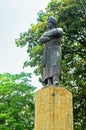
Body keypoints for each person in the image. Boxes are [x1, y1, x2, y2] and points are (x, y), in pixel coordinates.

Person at [39, 16, 63, 85]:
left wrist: (47, 37)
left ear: (53, 23)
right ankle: (49, 82)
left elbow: (59, 32)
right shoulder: (45, 33)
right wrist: (51, 37)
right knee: (47, 66)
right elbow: (40, 40)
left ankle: (55, 80)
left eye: (49, 22)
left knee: (55, 64)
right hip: (47, 51)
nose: (47, 24)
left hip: (55, 49)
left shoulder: (58, 29)